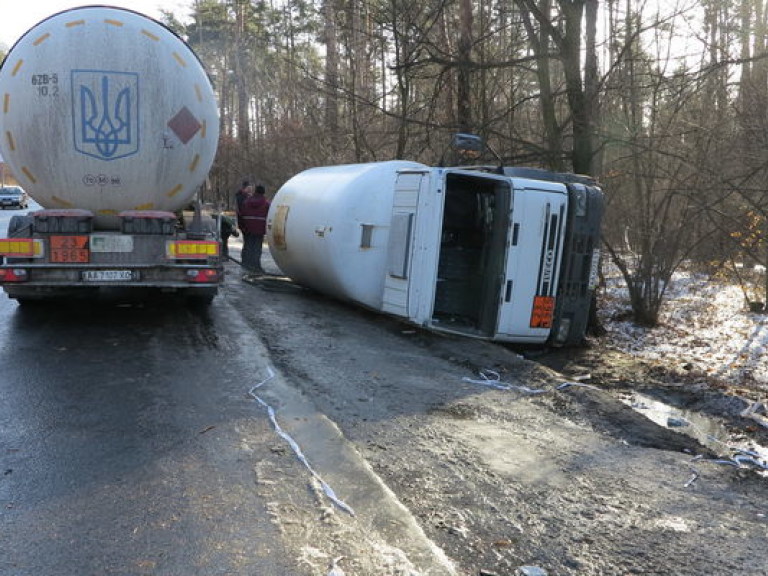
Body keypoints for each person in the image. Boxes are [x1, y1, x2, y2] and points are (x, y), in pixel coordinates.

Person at [239, 184, 270, 273]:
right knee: (257, 248)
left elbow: (241, 215)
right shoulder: (266, 204)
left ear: (255, 191)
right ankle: (256, 266)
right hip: (259, 230)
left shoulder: (246, 202)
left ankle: (246, 264)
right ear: (263, 193)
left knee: (248, 246)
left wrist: (242, 227)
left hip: (248, 228)